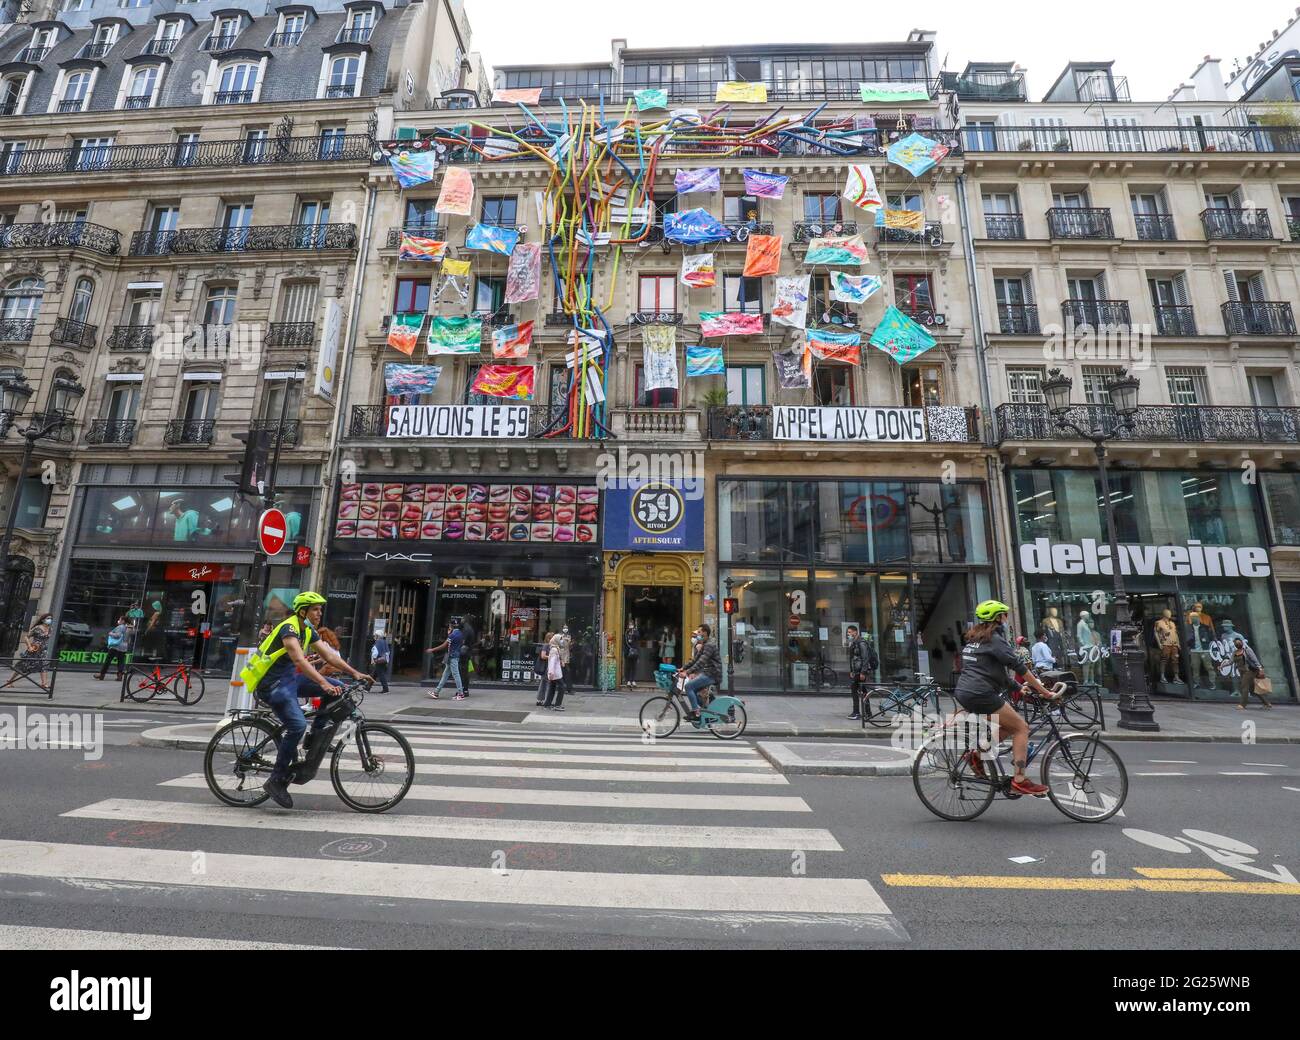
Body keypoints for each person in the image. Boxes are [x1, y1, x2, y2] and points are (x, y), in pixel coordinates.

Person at [239, 592, 371, 809]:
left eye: (320, 609)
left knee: (338, 688)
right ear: (303, 611)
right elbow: (299, 658)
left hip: (289, 679)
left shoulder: (307, 629)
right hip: (272, 684)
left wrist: (355, 673)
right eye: (315, 609)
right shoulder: (289, 628)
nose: (319, 613)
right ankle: (276, 780)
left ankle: (315, 736)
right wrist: (322, 682)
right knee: (297, 725)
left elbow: (329, 656)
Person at [952, 601, 1061, 798]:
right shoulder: (994, 639)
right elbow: (1019, 667)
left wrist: (1020, 688)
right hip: (981, 693)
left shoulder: (975, 639)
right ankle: (1019, 780)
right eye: (1004, 615)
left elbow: (997, 673)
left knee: (1007, 727)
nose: (1006, 618)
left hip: (965, 691)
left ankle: (976, 755)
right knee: (1021, 727)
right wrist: (1044, 691)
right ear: (997, 618)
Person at [677, 623, 722, 721]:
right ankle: (708, 712)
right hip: (708, 673)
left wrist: (687, 672)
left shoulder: (709, 645)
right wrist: (683, 668)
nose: (697, 634)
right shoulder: (704, 644)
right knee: (694, 691)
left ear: (705, 633)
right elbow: (695, 660)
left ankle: (696, 714)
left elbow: (701, 662)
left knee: (688, 686)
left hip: (712, 674)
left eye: (699, 632)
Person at [1, 612, 53, 690]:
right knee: (22, 665)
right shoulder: (37, 628)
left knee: (44, 666)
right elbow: (26, 637)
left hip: (43, 651)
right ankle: (10, 681)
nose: (50, 620)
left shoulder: (50, 629)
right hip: (34, 649)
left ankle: (44, 684)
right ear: (43, 620)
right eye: (48, 618)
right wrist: (29, 646)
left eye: (51, 619)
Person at [845, 624, 879, 721]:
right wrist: (851, 670)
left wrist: (863, 672)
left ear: (855, 632)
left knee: (855, 690)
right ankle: (868, 713)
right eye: (848, 632)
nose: (848, 634)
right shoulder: (854, 643)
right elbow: (853, 659)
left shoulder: (861, 643)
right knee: (863, 692)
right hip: (856, 671)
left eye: (850, 632)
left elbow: (865, 658)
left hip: (860, 671)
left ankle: (857, 713)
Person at [425, 621, 465, 700]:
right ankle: (436, 692)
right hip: (454, 656)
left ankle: (461, 694)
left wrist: (432, 649)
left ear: (451, 626)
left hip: (452, 657)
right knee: (445, 675)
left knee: (456, 675)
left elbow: (444, 645)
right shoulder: (460, 634)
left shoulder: (452, 635)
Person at [1232, 638, 1273, 711]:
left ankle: (1242, 704)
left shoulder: (1247, 650)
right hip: (1242, 672)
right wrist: (1222, 666)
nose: (1237, 644)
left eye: (1238, 642)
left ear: (1242, 642)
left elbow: (1255, 660)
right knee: (1253, 689)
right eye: (1236, 643)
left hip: (1249, 671)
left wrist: (1260, 669)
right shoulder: (1235, 652)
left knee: (1244, 686)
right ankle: (1267, 703)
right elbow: (1230, 661)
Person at [96, 615, 134, 681]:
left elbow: (118, 635)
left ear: (123, 621)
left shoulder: (120, 627)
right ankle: (119, 676)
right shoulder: (129, 628)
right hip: (124, 647)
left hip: (116, 646)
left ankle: (102, 674)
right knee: (121, 661)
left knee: (108, 660)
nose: (118, 621)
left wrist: (110, 633)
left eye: (120, 619)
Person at [543, 630, 566, 711]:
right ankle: (557, 705)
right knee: (562, 687)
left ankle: (547, 704)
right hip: (555, 673)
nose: (562, 641)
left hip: (553, 672)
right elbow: (552, 661)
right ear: (556, 640)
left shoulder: (555, 648)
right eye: (560, 640)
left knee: (552, 687)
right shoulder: (554, 650)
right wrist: (551, 672)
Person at [535, 632, 554, 706]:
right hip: (546, 668)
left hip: (548, 667)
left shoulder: (550, 646)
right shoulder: (546, 646)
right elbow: (543, 656)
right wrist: (552, 657)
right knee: (547, 684)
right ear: (549, 638)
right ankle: (546, 700)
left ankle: (540, 700)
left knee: (543, 684)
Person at [370, 629, 391, 694]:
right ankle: (367, 687)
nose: (374, 637)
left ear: (378, 636)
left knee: (381, 675)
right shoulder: (384, 641)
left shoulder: (378, 642)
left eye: (375, 635)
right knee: (374, 674)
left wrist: (373, 659)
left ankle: (386, 689)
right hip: (383, 660)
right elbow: (388, 652)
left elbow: (375, 652)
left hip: (379, 660)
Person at [623, 620, 639, 688]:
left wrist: (633, 632)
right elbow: (625, 641)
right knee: (628, 666)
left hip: (634, 651)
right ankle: (628, 680)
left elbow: (638, 636)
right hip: (628, 651)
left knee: (634, 666)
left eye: (631, 624)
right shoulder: (626, 632)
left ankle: (633, 680)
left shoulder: (635, 632)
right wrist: (629, 633)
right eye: (629, 624)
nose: (630, 626)